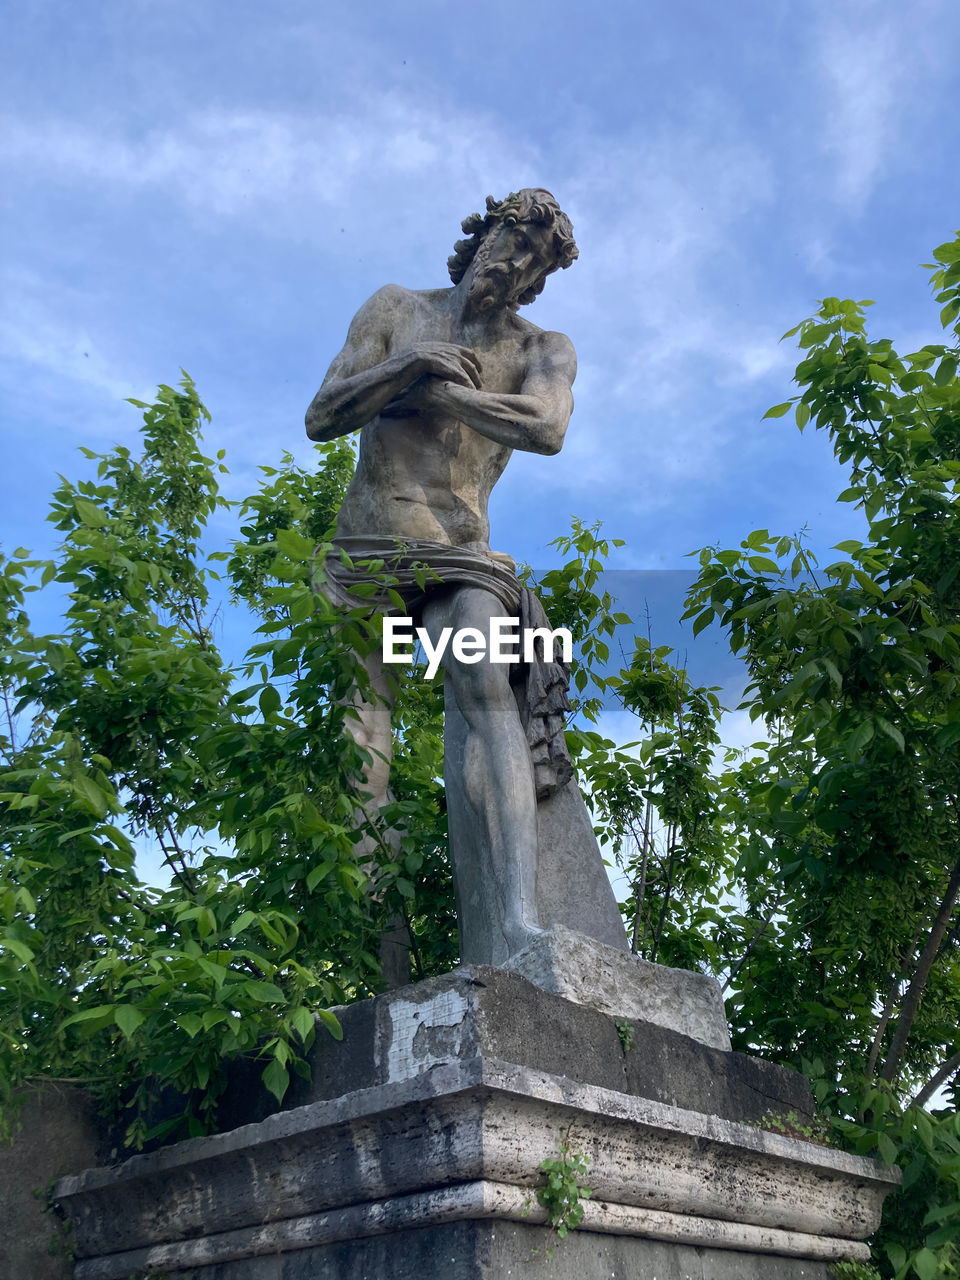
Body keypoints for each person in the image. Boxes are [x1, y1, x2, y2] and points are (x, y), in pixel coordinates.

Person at [305, 189, 579, 961]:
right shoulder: (395, 308)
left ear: (539, 278)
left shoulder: (539, 350)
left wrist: (441, 391)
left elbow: (547, 429)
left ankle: (519, 924)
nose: (514, 261)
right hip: (368, 560)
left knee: (486, 677)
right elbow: (322, 414)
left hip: (459, 560)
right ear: (482, 232)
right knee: (363, 743)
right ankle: (381, 954)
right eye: (510, 238)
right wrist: (408, 363)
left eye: (534, 258)